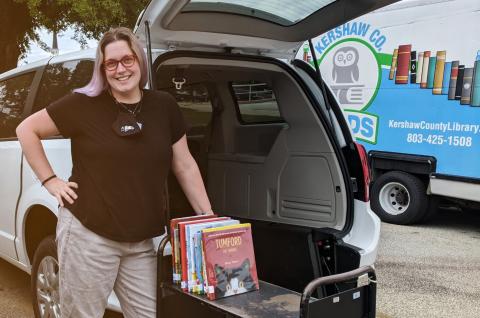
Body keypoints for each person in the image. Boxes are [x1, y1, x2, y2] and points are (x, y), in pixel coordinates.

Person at [16, 27, 213, 318]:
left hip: (141, 242)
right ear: (102, 68)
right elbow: (26, 129)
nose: (121, 69)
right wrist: (50, 181)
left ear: (140, 61)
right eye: (112, 63)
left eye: (127, 60)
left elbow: (184, 164)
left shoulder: (164, 106)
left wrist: (208, 218)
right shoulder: (83, 104)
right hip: (89, 236)